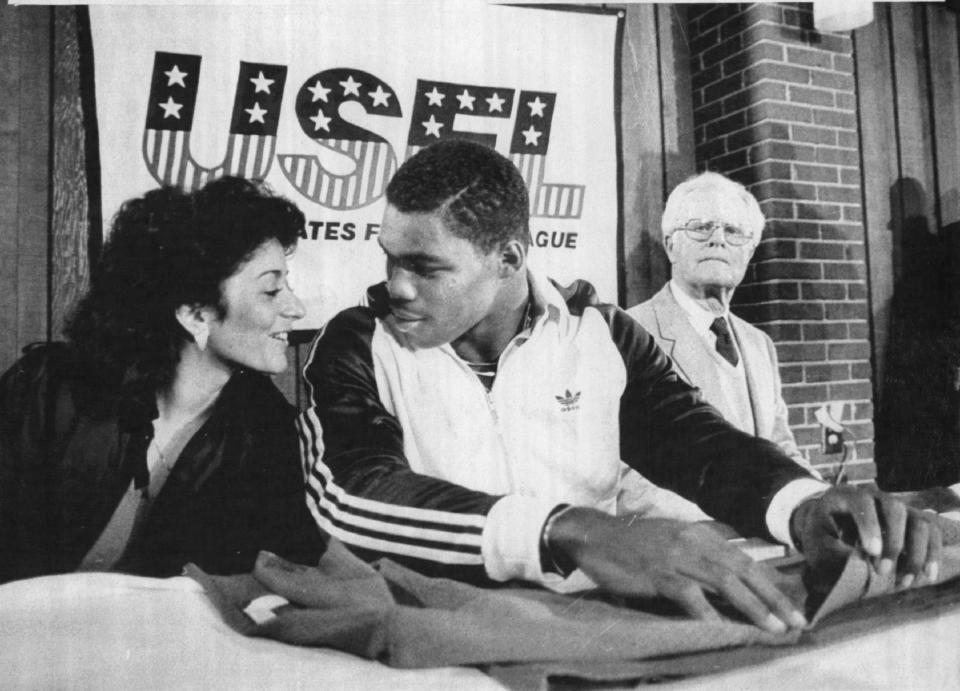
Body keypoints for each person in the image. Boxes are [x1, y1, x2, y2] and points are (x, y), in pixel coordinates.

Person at [298, 139, 942, 634]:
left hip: (590, 632)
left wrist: (801, 503)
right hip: (433, 642)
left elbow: (696, 443)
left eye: (425, 266)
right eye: (389, 257)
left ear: (510, 259)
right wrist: (570, 531)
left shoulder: (603, 334)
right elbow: (352, 492)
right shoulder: (356, 340)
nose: (396, 286)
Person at [0, 176, 323, 583]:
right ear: (195, 314)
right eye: (271, 290)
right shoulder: (47, 391)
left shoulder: (269, 433)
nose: (296, 308)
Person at [619, 171, 819, 521]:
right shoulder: (628, 333)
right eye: (700, 227)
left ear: (750, 250)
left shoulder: (760, 345)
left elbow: (781, 447)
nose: (718, 240)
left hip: (768, 540)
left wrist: (815, 500)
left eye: (733, 231)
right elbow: (620, 473)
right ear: (670, 245)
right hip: (686, 545)